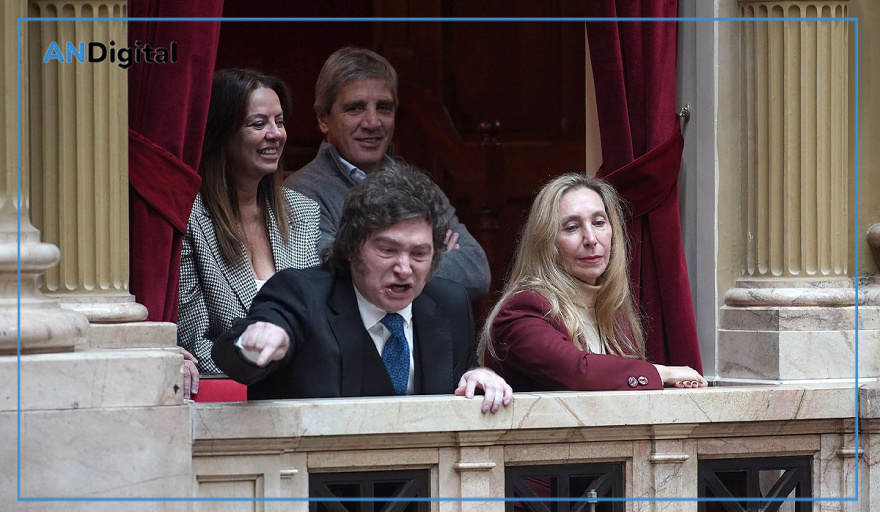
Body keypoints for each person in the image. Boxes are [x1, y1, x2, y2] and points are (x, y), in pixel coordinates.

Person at [213, 165, 513, 413]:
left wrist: (479, 376)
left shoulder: (449, 303)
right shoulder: (301, 295)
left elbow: (463, 372)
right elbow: (233, 358)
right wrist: (252, 345)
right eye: (387, 250)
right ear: (352, 248)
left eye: (419, 254)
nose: (404, 268)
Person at [283, 46, 491, 302]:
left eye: (383, 108)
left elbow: (477, 271)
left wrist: (374, 268)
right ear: (323, 119)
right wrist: (434, 258)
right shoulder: (300, 193)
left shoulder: (418, 187)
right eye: (355, 108)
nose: (372, 122)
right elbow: (332, 281)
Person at [479, 173, 707, 391]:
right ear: (546, 242)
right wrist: (660, 372)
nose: (591, 239)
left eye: (598, 222)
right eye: (571, 227)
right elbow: (578, 372)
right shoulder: (524, 308)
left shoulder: (611, 311)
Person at [178, 68, 321, 375]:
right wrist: (274, 366)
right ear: (222, 134)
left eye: (279, 121)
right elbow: (194, 343)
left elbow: (319, 324)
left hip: (302, 392)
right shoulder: (189, 218)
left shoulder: (303, 212)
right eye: (258, 124)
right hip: (227, 394)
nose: (276, 134)